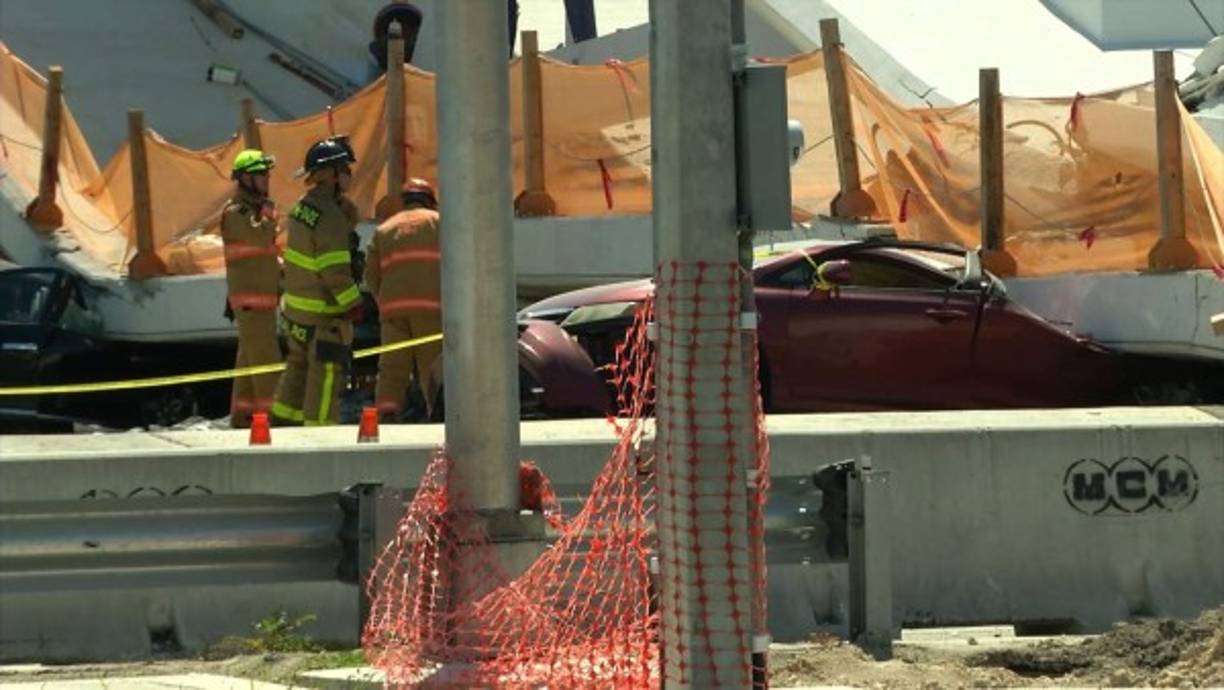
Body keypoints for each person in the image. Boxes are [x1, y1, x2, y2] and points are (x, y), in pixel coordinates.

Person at [271, 137, 363, 426]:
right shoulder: (329, 215)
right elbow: (333, 270)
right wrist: (355, 304)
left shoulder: (303, 207)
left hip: (296, 313)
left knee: (297, 369)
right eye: (344, 168)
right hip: (324, 316)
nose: (349, 173)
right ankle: (320, 436)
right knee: (326, 376)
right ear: (331, 174)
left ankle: (284, 426)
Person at [364, 178, 442, 421]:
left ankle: (386, 414)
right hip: (431, 309)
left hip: (393, 312)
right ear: (430, 200)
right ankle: (436, 414)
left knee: (392, 368)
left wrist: (384, 303)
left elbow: (371, 275)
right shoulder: (439, 223)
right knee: (432, 367)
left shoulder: (385, 229)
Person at [221, 149, 282, 428]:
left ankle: (243, 417)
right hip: (252, 302)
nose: (266, 180)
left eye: (267, 174)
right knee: (267, 363)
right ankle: (275, 419)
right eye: (260, 175)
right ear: (245, 178)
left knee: (249, 363)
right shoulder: (237, 213)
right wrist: (269, 213)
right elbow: (260, 237)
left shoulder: (253, 212)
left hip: (261, 301)